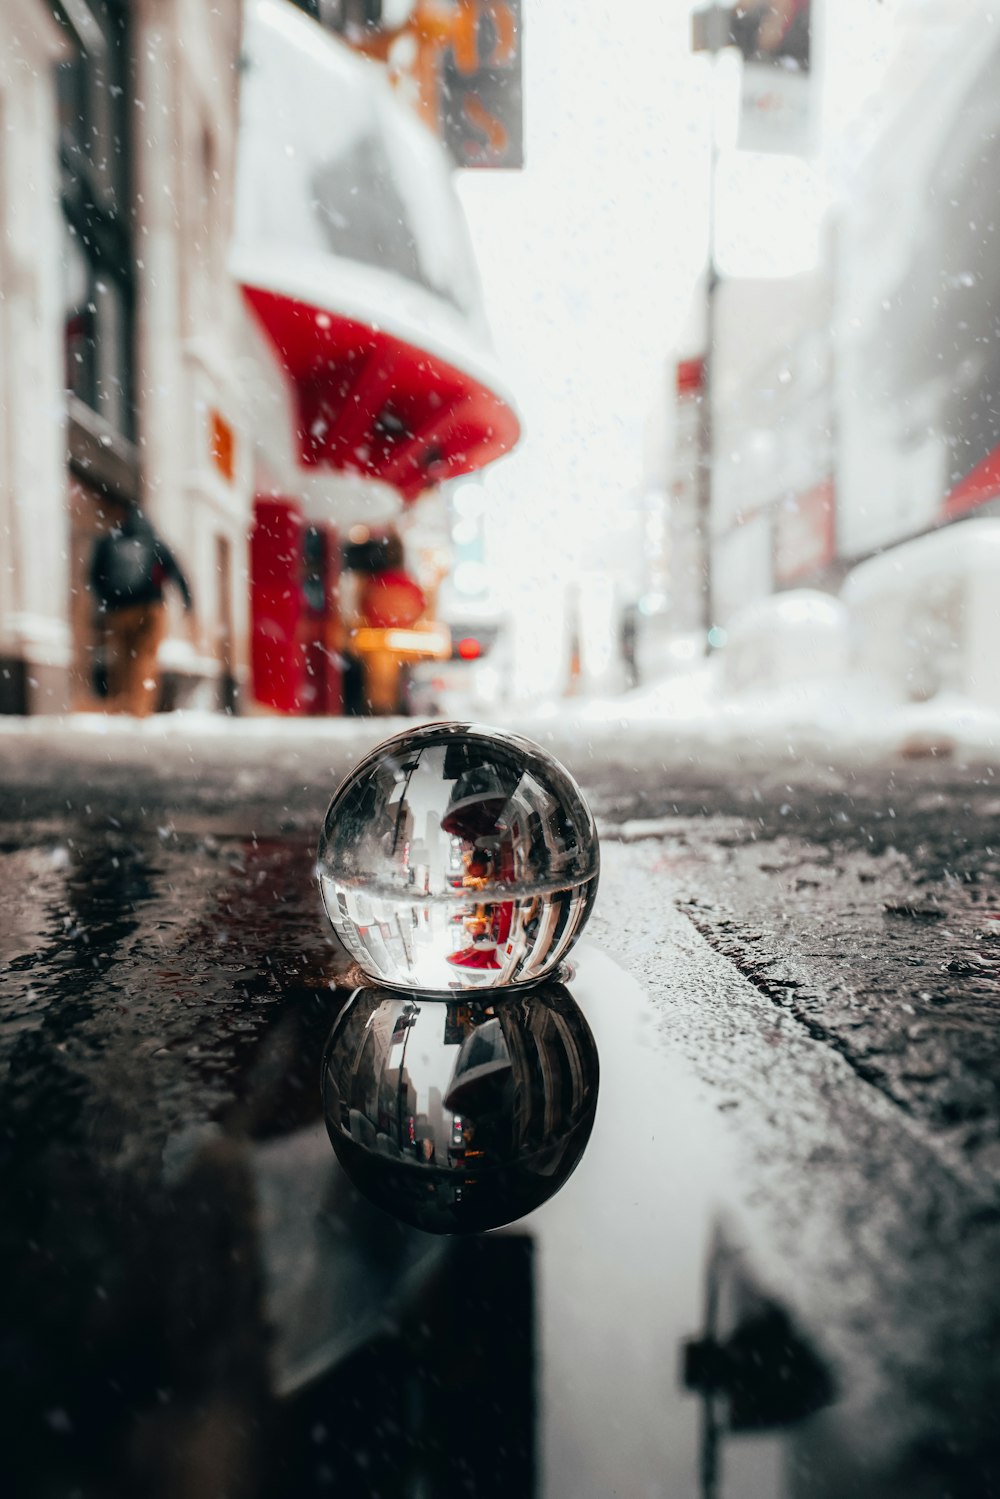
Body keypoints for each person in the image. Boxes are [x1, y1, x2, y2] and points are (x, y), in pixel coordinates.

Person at [89, 503, 193, 717]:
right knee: (145, 658)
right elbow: (177, 573)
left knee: (122, 657)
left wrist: (107, 600)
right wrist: (187, 604)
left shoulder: (110, 542)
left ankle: (121, 703)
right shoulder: (154, 543)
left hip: (119, 611)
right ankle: (140, 707)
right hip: (150, 609)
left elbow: (94, 576)